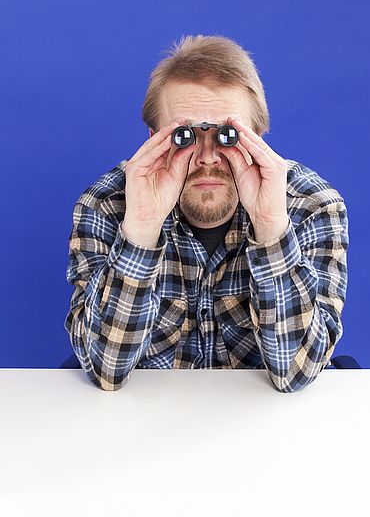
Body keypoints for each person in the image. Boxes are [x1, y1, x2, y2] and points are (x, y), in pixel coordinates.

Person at [64, 34, 349, 393]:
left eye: (228, 135)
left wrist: (271, 228)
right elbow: (106, 370)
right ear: (153, 137)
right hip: (144, 419)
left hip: (263, 419)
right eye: (184, 135)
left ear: (258, 139)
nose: (208, 157)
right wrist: (140, 228)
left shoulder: (309, 205)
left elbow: (297, 373)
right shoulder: (108, 204)